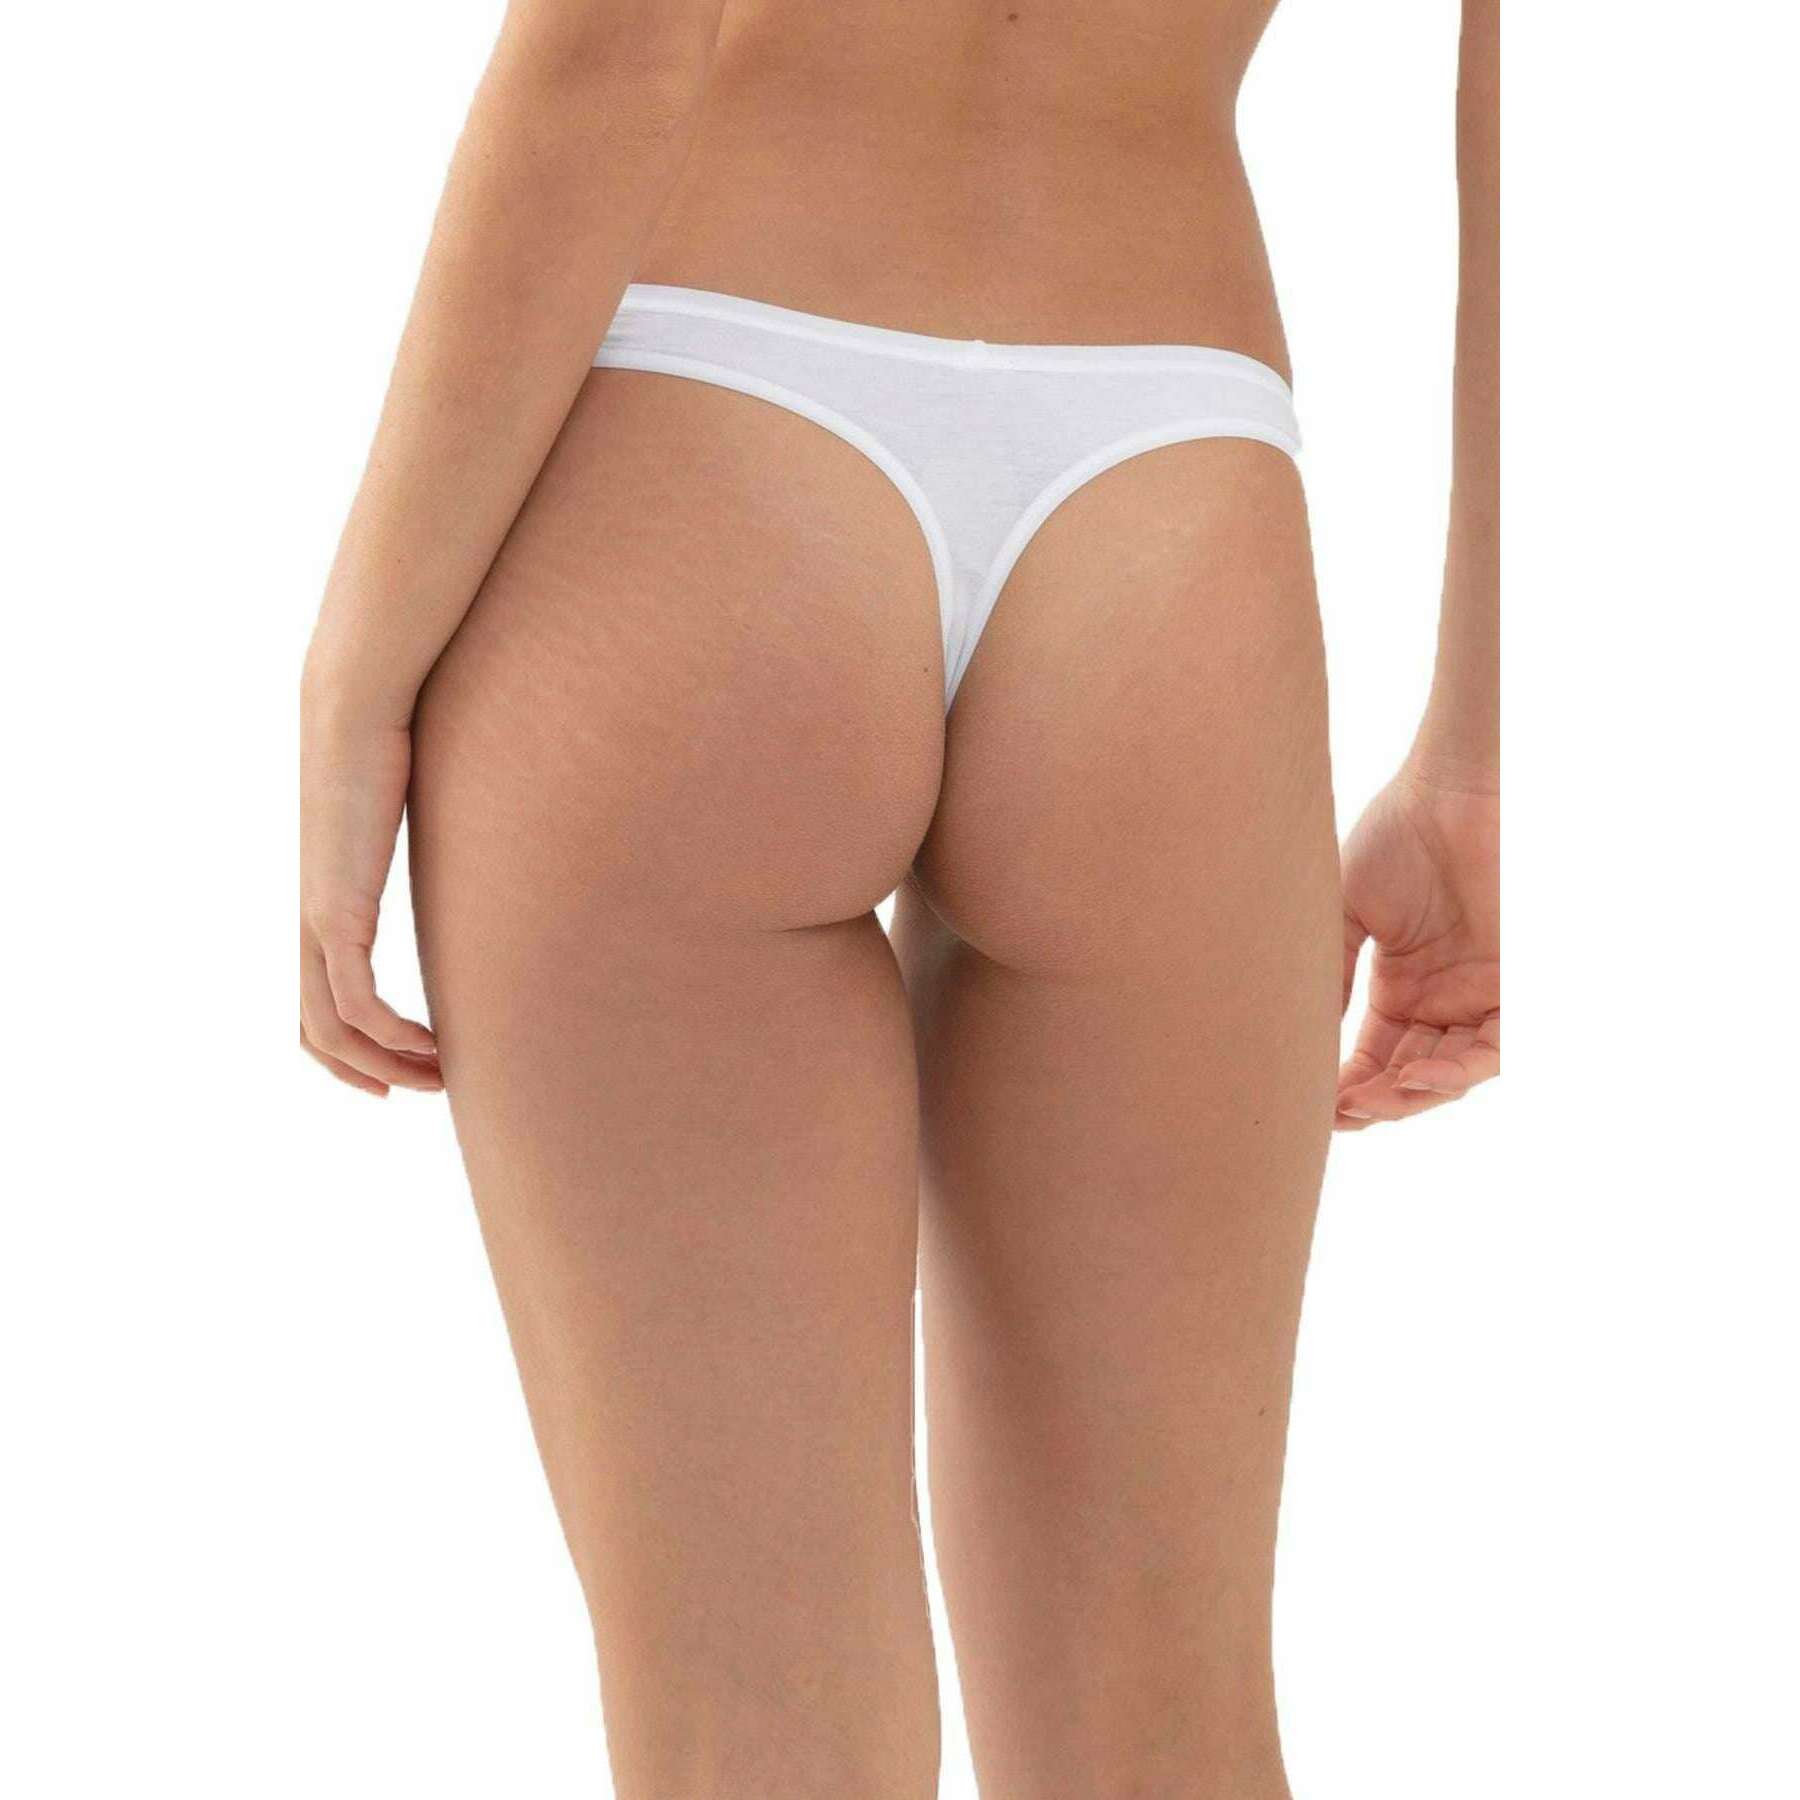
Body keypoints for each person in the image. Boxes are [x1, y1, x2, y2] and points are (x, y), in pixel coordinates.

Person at [299, 0, 1499, 1791]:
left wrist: (357, 676)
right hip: (1173, 469)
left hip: (702, 441)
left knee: (753, 1729)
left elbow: (615, 42)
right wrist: (1482, 750)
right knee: (1164, 1726)